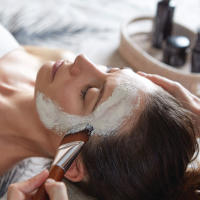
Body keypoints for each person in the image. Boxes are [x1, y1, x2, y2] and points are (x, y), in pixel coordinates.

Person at [0, 24, 200, 200]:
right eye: (110, 70)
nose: (83, 60)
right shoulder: (58, 59)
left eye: (88, 93)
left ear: (71, 164)